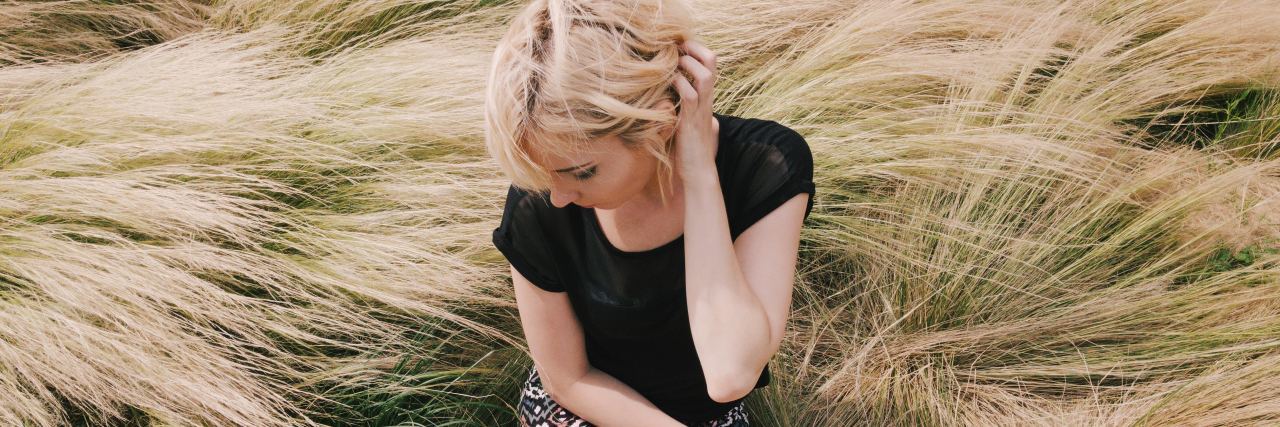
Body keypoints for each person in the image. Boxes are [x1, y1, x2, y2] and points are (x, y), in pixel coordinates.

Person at [484, 0, 815, 425]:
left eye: (581, 172)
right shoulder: (538, 200)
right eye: (545, 174)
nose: (559, 197)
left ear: (659, 125)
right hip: (584, 407)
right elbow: (568, 380)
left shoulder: (764, 165)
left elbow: (730, 374)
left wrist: (698, 173)